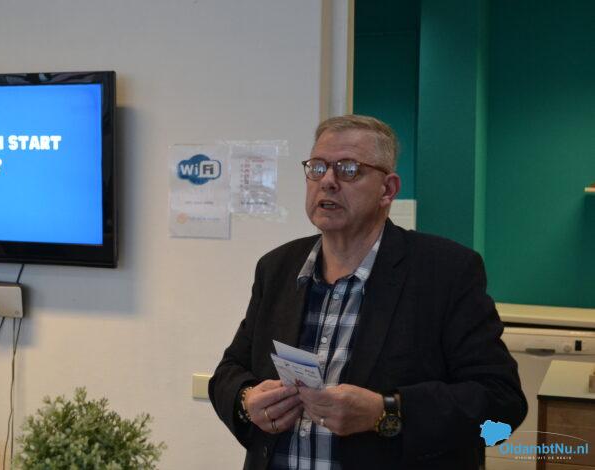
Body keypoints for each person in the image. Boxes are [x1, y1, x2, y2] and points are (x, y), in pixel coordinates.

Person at [208, 115, 527, 469]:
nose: (327, 181)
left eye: (348, 169)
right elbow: (229, 371)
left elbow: (502, 404)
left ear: (387, 190)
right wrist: (246, 400)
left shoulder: (445, 272)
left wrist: (385, 411)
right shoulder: (277, 268)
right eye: (317, 167)